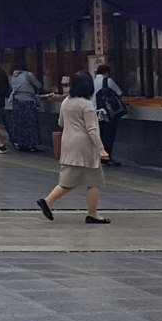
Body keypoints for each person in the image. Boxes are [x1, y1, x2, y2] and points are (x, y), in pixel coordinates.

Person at [37, 71, 111, 224]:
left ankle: (48, 201)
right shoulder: (87, 105)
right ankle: (92, 214)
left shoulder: (66, 101)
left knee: (70, 178)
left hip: (68, 142)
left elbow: (61, 122)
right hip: (84, 145)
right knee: (94, 181)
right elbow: (92, 129)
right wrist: (101, 148)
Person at [8, 57, 44, 152]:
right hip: (28, 101)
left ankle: (20, 143)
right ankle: (31, 144)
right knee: (30, 123)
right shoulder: (28, 75)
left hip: (16, 101)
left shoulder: (12, 76)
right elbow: (38, 85)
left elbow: (12, 87)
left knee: (19, 123)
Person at [93, 64, 125, 167]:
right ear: (106, 72)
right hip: (107, 113)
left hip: (95, 112)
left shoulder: (92, 82)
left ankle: (100, 157)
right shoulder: (108, 81)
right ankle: (107, 158)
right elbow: (119, 93)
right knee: (109, 135)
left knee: (100, 135)